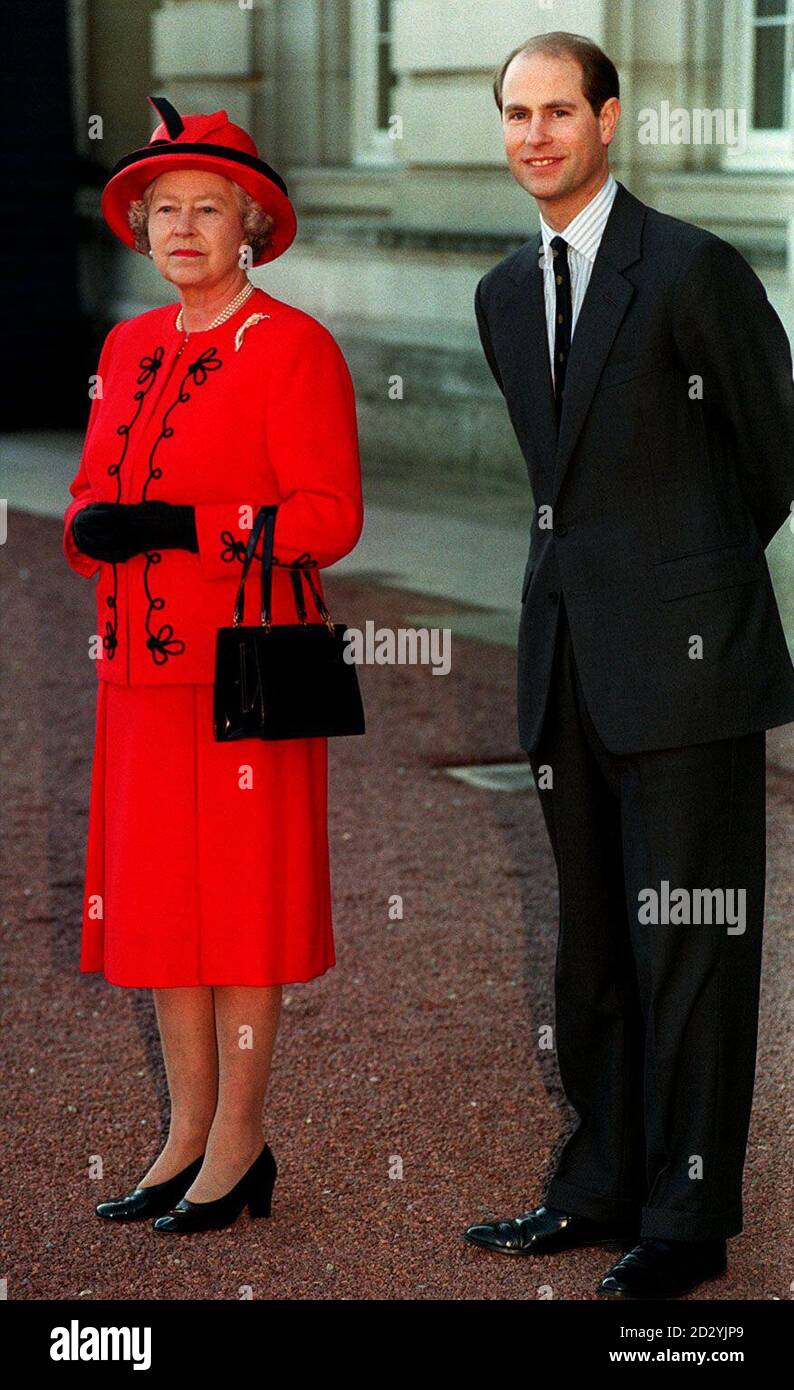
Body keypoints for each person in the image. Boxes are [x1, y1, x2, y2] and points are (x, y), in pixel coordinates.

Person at [462, 32, 794, 1298]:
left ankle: (686, 1216)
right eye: (514, 114)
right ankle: (597, 1184)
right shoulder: (499, 293)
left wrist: (682, 588)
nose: (534, 135)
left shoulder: (693, 270)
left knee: (690, 939)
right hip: (562, 665)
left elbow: (771, 459)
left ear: (609, 120)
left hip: (688, 670)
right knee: (593, 943)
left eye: (558, 111)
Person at [63, 96, 363, 1234]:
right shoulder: (125, 345)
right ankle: (183, 1134)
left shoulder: (294, 346)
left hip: (251, 672)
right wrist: (89, 522)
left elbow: (330, 516)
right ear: (140, 231)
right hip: (138, 672)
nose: (182, 227)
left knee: (239, 913)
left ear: (251, 227)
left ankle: (241, 1140)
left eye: (207, 209)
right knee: (158, 913)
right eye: (163, 210)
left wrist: (189, 525)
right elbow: (93, 489)